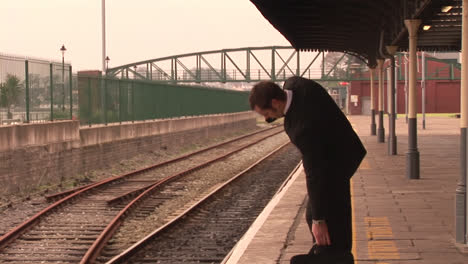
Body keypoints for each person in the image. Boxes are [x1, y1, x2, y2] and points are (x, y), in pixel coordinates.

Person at [249, 76, 366, 264]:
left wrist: (319, 221)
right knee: (313, 211)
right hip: (343, 147)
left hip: (338, 161)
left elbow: (314, 172)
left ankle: (337, 255)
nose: (267, 118)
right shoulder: (295, 84)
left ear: (276, 102)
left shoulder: (301, 127)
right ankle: (325, 249)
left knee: (328, 213)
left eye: (266, 113)